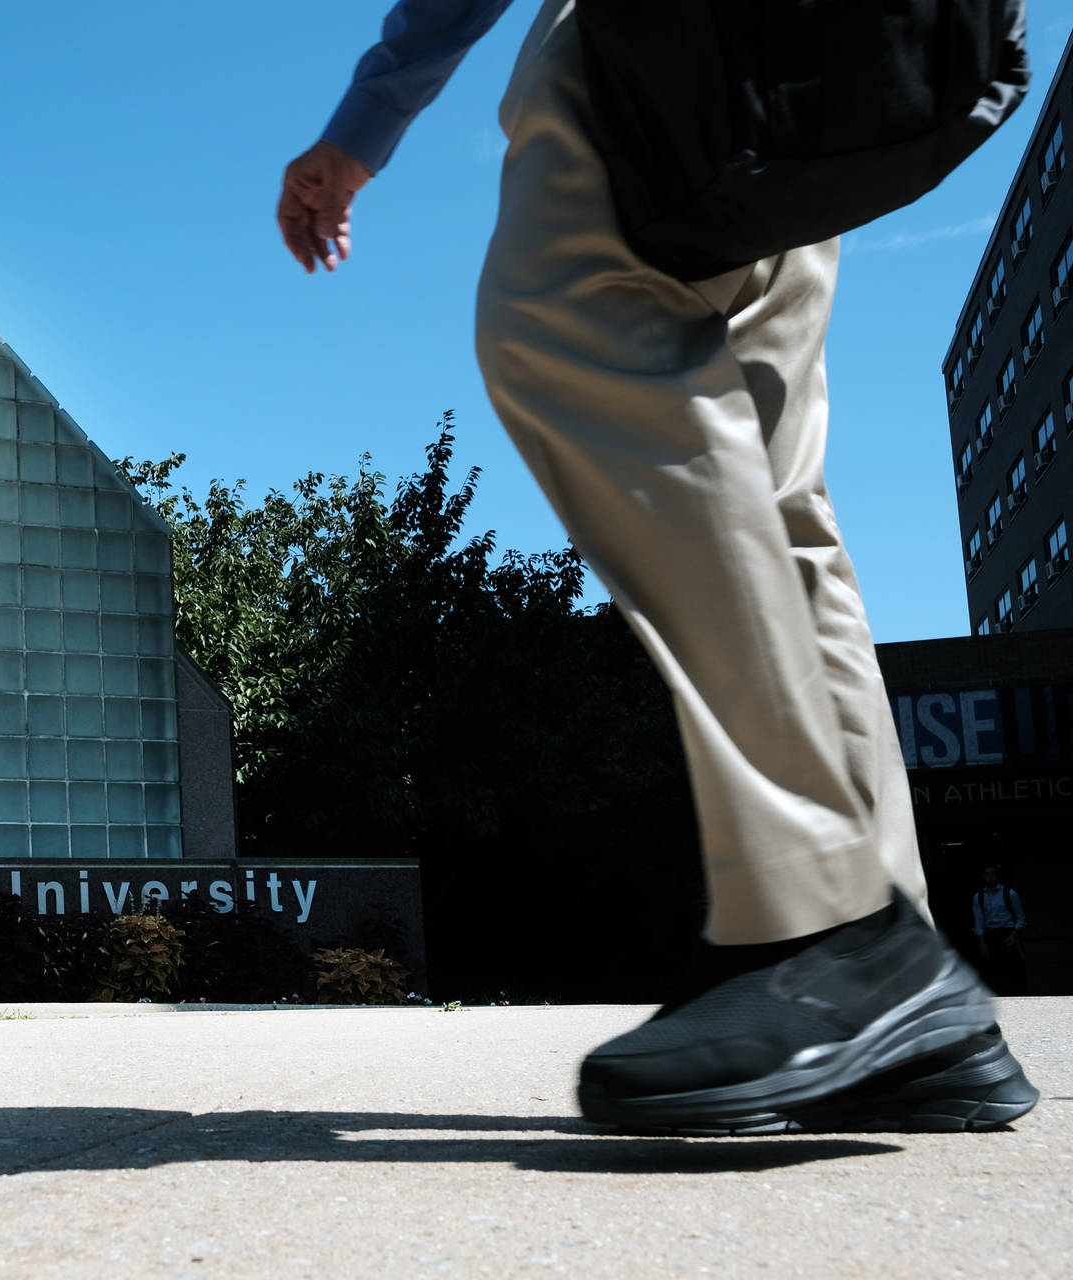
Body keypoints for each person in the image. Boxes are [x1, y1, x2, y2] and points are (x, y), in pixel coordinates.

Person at [280, 0, 1037, 1132]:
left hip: (663, 43)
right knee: (777, 501)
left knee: (567, 316)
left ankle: (826, 928)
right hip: (810, 74)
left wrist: (366, 119)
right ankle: (906, 994)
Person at [972, 864, 1028, 996]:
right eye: (987, 874)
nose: (990, 877)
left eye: (993, 874)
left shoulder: (1010, 893)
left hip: (1008, 933)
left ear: (998, 876)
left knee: (1014, 971)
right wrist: (982, 942)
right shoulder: (979, 897)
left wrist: (1014, 935)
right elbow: (978, 921)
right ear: (983, 876)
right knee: (994, 973)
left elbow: (1021, 918)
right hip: (991, 935)